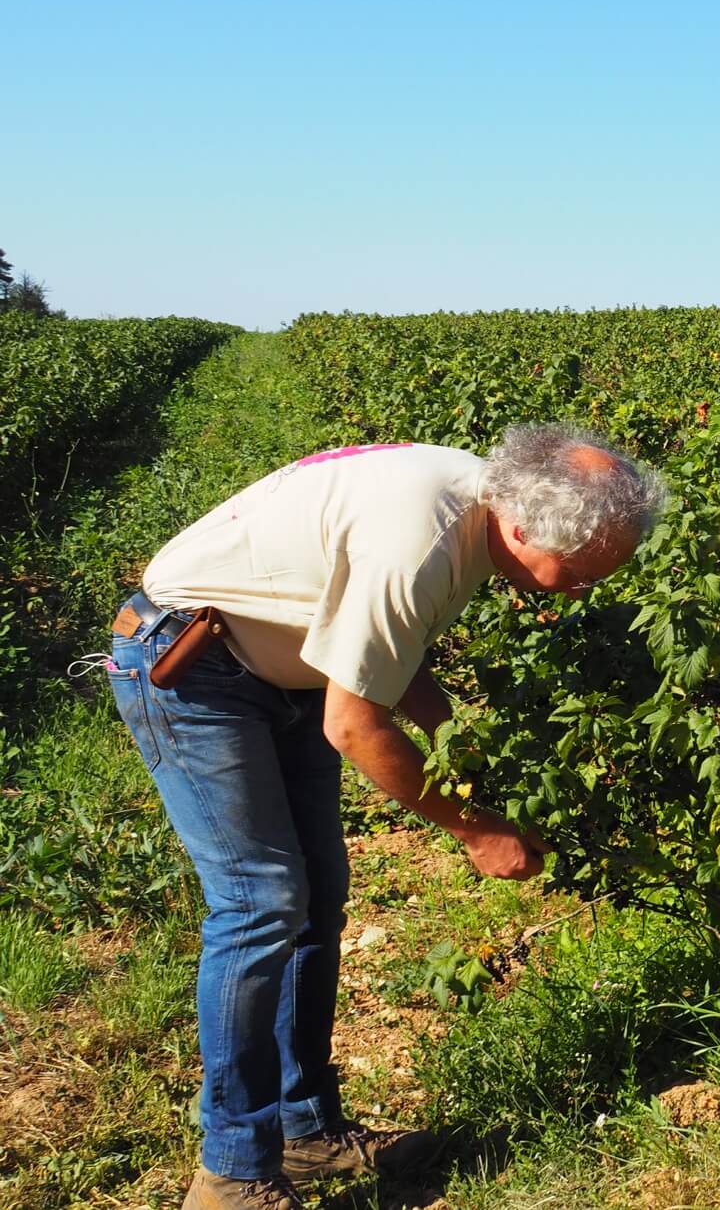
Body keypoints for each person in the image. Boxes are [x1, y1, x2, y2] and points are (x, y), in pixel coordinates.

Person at [105, 423, 663, 1210]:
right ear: (523, 525)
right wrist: (476, 829)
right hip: (193, 664)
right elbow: (356, 724)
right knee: (260, 902)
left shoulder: (477, 507)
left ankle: (305, 1133)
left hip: (276, 666)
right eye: (575, 574)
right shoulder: (424, 539)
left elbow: (391, 658)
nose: (580, 591)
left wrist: (459, 751)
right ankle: (230, 1174)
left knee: (316, 897)